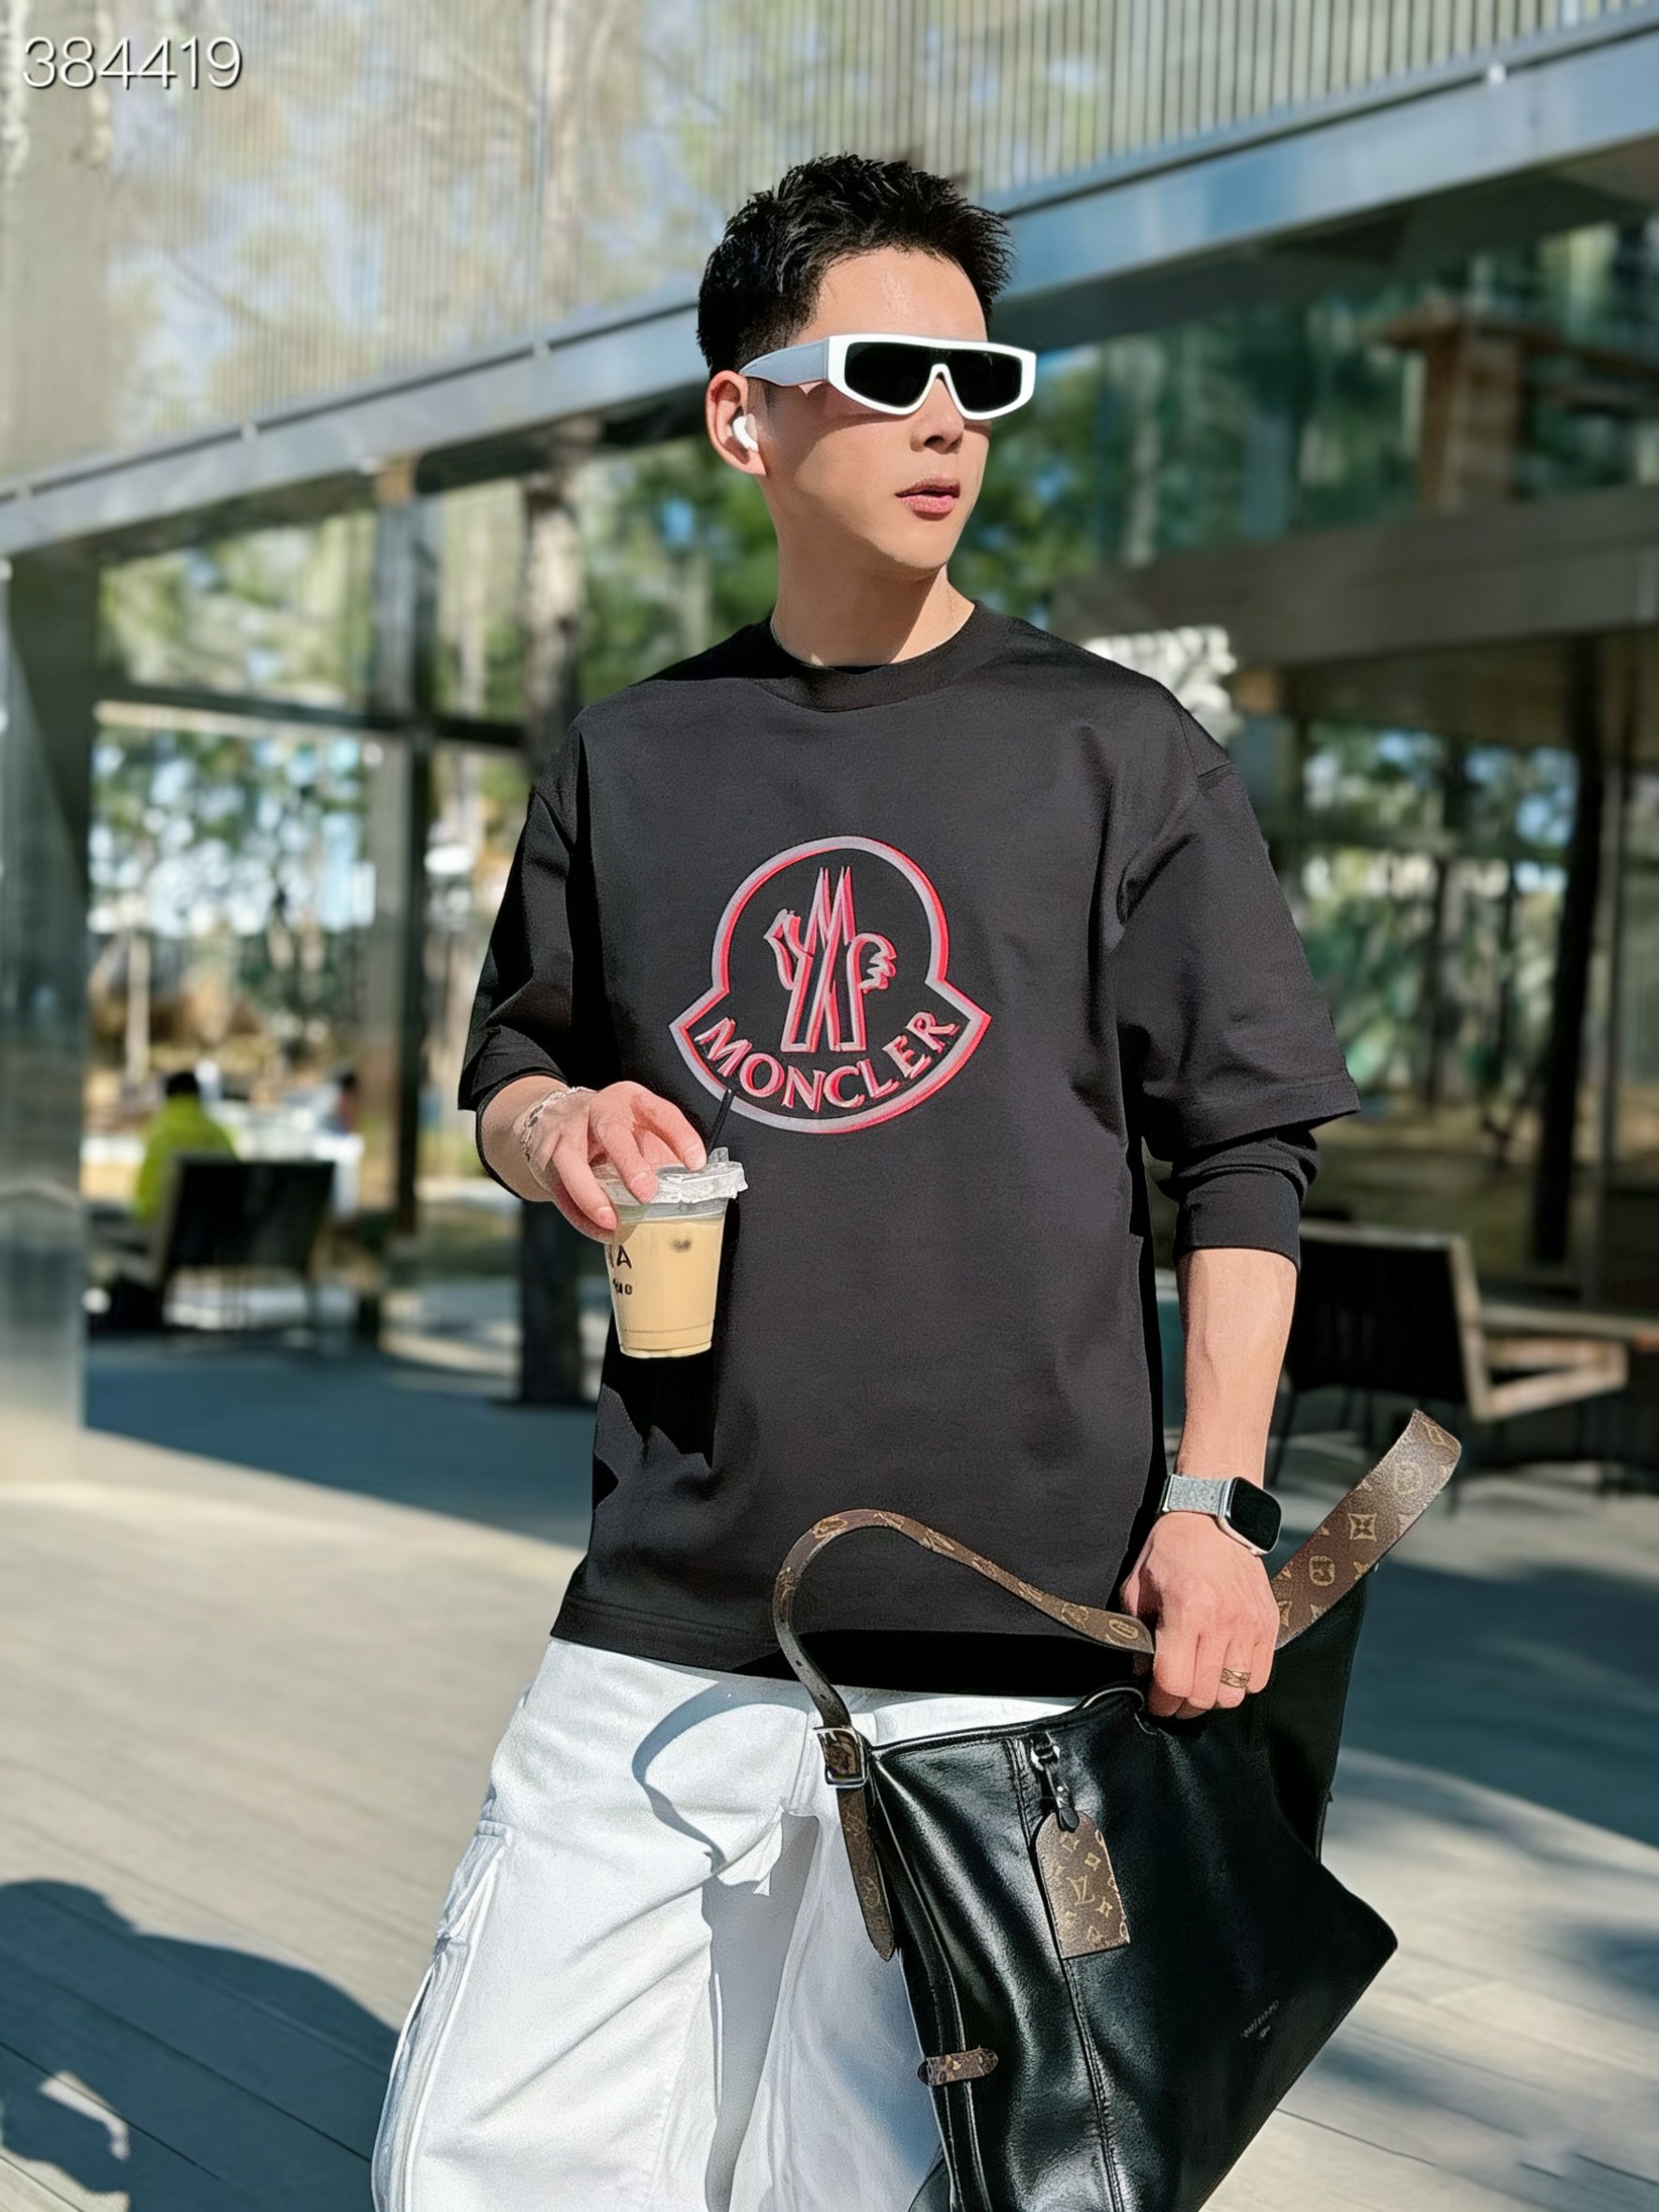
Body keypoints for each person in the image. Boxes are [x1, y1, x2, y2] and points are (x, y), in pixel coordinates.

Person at [371, 153, 1360, 2212]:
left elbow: (1241, 1154)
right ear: (743, 416)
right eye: (888, 371)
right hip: (669, 1603)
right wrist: (557, 1132)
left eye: (979, 378)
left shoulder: (1117, 755)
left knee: (873, 2184)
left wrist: (1211, 1506)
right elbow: (511, 1065)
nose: (944, 420)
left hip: (1009, 1639)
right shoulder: (632, 759)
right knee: (475, 2161)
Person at [131, 1068, 237, 1226]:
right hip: (214, 1226)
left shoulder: (159, 1132)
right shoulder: (218, 1133)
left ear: (167, 1096)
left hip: (167, 1225)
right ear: (198, 1095)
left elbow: (148, 1191)